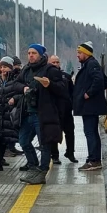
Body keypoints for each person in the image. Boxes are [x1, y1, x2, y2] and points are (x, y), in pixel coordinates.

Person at [17, 43, 65, 185]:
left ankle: (42, 171)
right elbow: (15, 84)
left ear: (41, 55)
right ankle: (33, 166)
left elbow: (63, 90)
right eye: (29, 53)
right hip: (28, 112)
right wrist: (23, 88)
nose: (31, 55)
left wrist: (49, 85)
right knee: (23, 141)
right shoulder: (26, 69)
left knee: (45, 144)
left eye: (34, 53)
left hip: (43, 113)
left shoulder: (50, 70)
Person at [72, 42, 107, 171]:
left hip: (90, 106)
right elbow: (105, 80)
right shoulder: (90, 64)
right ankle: (93, 158)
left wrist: (89, 93)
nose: (77, 55)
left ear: (86, 53)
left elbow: (100, 80)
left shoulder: (91, 64)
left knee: (90, 132)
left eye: (79, 53)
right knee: (91, 132)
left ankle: (94, 160)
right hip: (90, 106)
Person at [48, 55, 77, 163]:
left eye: (57, 62)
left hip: (67, 109)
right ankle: (54, 155)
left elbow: (72, 92)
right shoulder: (46, 77)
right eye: (53, 62)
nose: (55, 64)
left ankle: (70, 153)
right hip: (54, 109)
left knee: (70, 132)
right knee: (55, 133)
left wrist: (72, 104)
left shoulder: (66, 76)